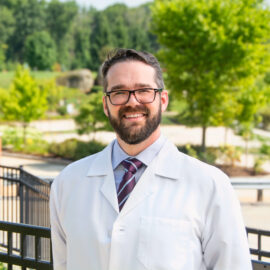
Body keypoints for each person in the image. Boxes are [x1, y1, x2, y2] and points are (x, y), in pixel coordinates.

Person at [50, 48, 252, 270]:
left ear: (163, 100)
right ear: (105, 105)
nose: (132, 101)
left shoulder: (210, 185)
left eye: (144, 90)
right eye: (118, 92)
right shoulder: (67, 183)